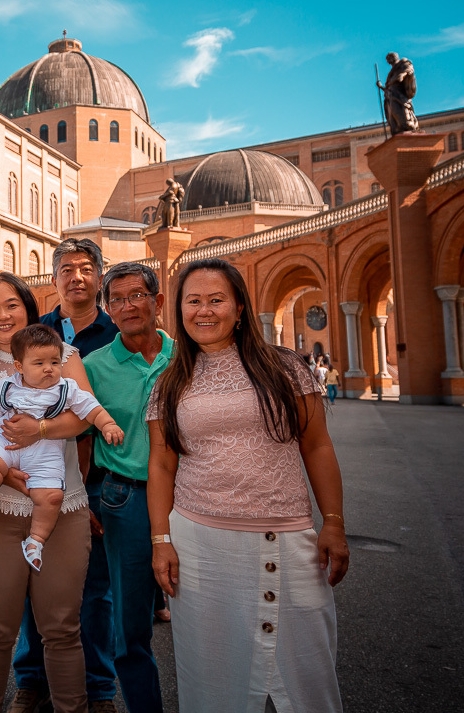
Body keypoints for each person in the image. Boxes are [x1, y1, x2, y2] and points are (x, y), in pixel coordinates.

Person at [146, 257, 350, 713]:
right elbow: (160, 465)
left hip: (287, 536)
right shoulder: (170, 381)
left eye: (216, 300)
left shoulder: (284, 367)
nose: (204, 310)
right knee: (212, 673)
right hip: (199, 544)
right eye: (193, 301)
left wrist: (334, 522)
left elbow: (317, 445)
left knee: (307, 671)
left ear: (239, 308)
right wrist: (161, 541)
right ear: (179, 311)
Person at [0, 272, 101, 713]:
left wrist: (40, 429)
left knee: (62, 628)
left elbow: (84, 415)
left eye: (12, 304)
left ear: (28, 309)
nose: (3, 315)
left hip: (61, 508)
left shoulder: (62, 356)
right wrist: (5, 476)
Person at [14, 238, 119, 713]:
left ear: (99, 276)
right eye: (67, 269)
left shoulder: (115, 332)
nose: (76, 277)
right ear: (53, 278)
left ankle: (99, 689)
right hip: (39, 479)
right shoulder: (36, 333)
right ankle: (31, 680)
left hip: (97, 482)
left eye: (85, 268)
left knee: (93, 590)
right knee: (31, 583)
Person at [82, 262, 175, 712]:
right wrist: (80, 498)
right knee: (131, 621)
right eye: (116, 299)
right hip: (126, 498)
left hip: (194, 496)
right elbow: (81, 437)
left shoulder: (189, 355)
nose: (127, 306)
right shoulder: (93, 367)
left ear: (158, 301)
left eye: (137, 295)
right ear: (108, 311)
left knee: (207, 609)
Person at [0, 324, 122, 571]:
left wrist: (108, 424)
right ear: (20, 366)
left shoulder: (66, 389)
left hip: (45, 453)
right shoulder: (9, 386)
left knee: (52, 497)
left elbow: (92, 409)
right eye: (39, 363)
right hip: (7, 443)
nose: (49, 369)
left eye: (55, 362)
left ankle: (36, 540)